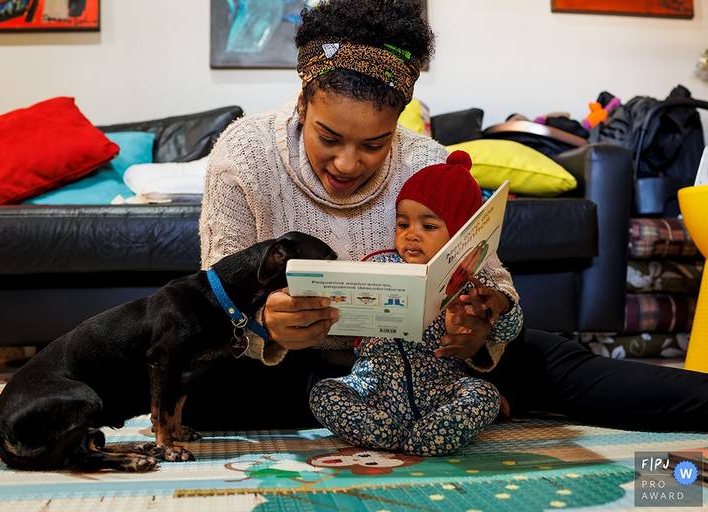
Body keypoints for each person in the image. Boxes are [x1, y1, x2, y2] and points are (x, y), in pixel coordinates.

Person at [194, 0, 708, 432]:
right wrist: (263, 320)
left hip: (433, 362)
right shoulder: (244, 154)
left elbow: (491, 277)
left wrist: (484, 318)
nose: (347, 164)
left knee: (579, 371)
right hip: (295, 365)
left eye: (374, 144)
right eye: (329, 138)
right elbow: (218, 294)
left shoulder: (429, 162)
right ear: (303, 102)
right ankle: (432, 410)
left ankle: (447, 403)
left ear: (397, 122)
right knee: (198, 392)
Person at [308, 151, 522, 456]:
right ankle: (382, 433)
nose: (411, 236)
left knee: (484, 395)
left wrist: (499, 306)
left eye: (428, 227)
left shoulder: (471, 281)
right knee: (324, 393)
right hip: (373, 386)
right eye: (402, 224)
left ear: (460, 233)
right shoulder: (380, 264)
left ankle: (429, 436)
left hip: (441, 389)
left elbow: (507, 332)